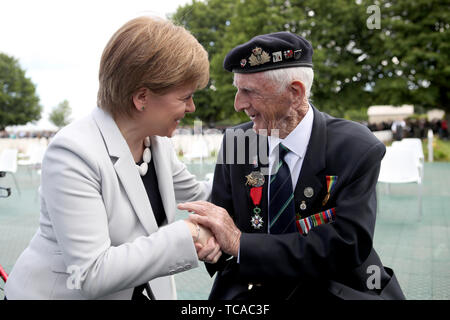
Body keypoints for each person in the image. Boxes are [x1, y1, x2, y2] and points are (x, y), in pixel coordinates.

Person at [4, 16, 221, 300]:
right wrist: (189, 234)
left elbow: (202, 196)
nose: (191, 107)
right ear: (142, 97)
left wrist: (254, 184)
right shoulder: (73, 152)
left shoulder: (157, 143)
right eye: (185, 97)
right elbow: (91, 273)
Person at [179, 32, 405, 300]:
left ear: (295, 93)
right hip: (253, 284)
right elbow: (223, 218)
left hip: (335, 286)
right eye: (237, 89)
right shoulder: (238, 142)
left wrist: (241, 244)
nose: (238, 104)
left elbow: (348, 245)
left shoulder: (356, 148)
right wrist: (211, 238)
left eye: (249, 91)